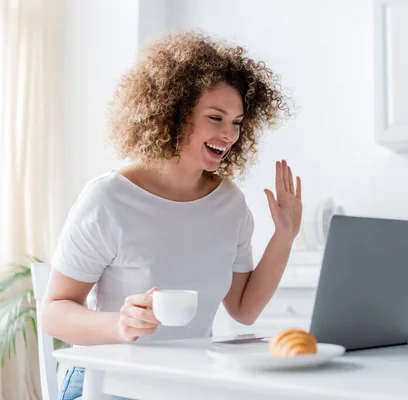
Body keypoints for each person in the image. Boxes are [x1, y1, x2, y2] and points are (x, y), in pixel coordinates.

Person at [41, 30, 301, 400]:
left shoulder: (230, 204)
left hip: (188, 384)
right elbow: (54, 312)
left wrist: (284, 236)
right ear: (174, 114)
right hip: (106, 381)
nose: (229, 134)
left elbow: (244, 310)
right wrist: (121, 324)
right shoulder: (108, 199)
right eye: (216, 118)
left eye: (238, 123)